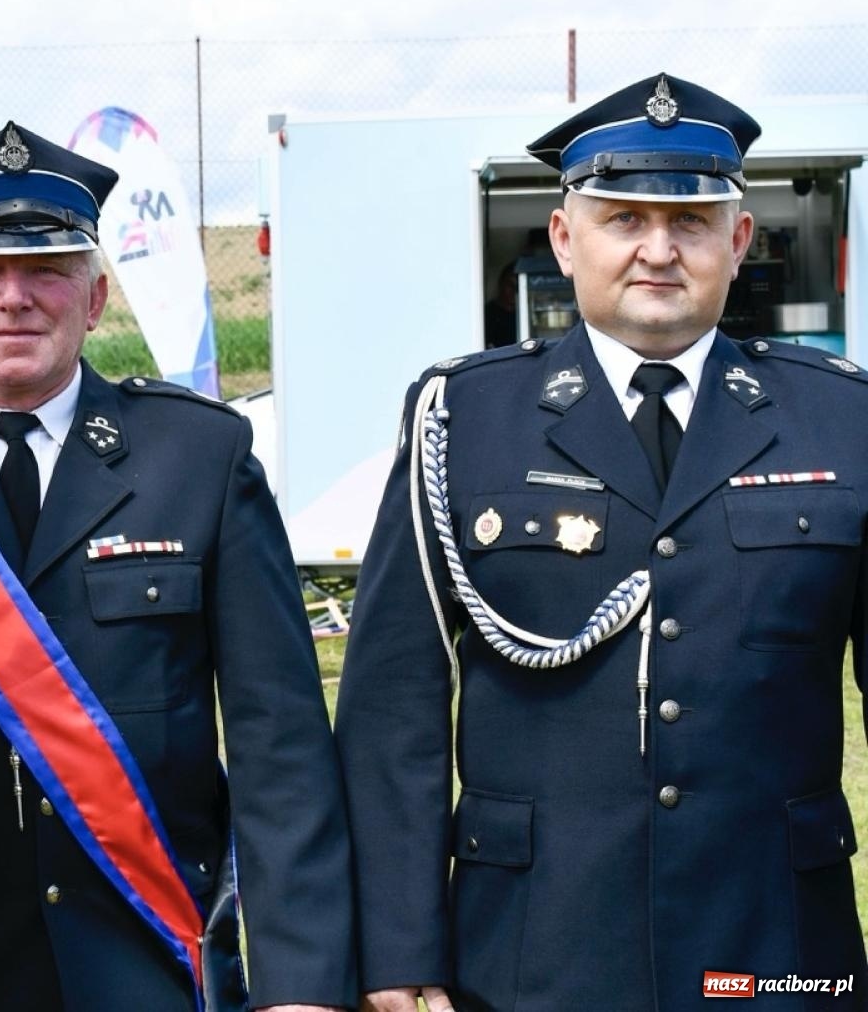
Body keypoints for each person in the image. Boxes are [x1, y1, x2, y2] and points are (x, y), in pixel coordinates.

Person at [336, 74, 868, 1011]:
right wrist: (398, 952)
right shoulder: (462, 420)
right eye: (623, 219)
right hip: (532, 953)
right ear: (562, 238)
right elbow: (392, 709)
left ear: (738, 243)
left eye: (692, 223)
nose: (658, 251)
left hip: (778, 953)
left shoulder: (841, 420)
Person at [0, 122, 357, 1012]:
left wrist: (302, 985)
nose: (14, 298)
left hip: (147, 955)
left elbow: (280, 744)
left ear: (96, 297)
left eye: (48, 271)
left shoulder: (198, 460)